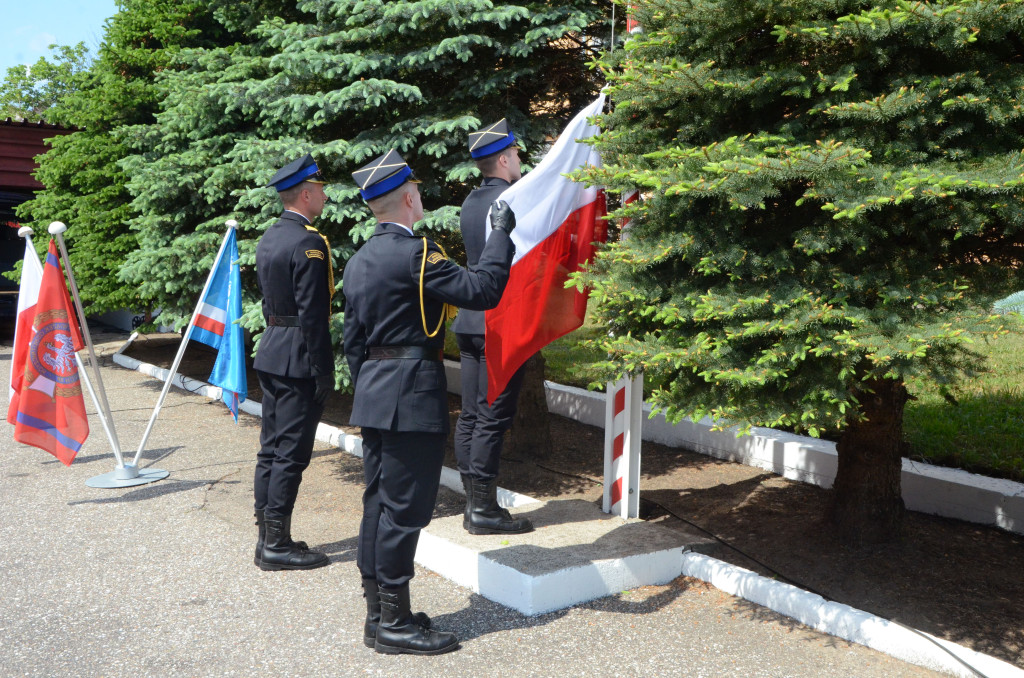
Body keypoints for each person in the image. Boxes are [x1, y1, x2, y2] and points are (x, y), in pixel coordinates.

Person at [343, 149, 516, 655]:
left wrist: (374, 387)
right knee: (405, 510)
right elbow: (483, 290)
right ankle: (394, 625)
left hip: (375, 392)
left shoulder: (358, 261)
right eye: (416, 192)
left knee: (379, 502)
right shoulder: (418, 254)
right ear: (409, 198)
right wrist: (501, 233)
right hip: (411, 393)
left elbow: (354, 343)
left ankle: (381, 613)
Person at [252, 153, 334, 572]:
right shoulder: (308, 241)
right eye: (319, 188)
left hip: (272, 349)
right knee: (291, 454)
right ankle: (277, 545)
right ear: (305, 193)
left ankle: (267, 536)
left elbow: (271, 301)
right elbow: (314, 314)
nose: (324, 194)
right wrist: (324, 369)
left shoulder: (271, 236)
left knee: (271, 449)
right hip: (299, 355)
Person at [452, 119, 533, 536]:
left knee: (471, 414)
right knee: (491, 415)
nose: (519, 160)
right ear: (503, 158)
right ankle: (482, 510)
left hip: (469, 319)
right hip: (497, 321)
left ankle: (474, 502)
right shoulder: (510, 200)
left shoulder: (470, 201)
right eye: (516, 154)